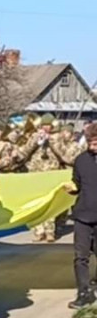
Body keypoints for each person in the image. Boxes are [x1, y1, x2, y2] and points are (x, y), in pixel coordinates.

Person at [67, 122, 97, 307]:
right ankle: (83, 293)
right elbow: (76, 184)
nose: (94, 145)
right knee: (81, 256)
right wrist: (71, 188)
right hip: (83, 215)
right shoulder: (80, 160)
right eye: (92, 141)